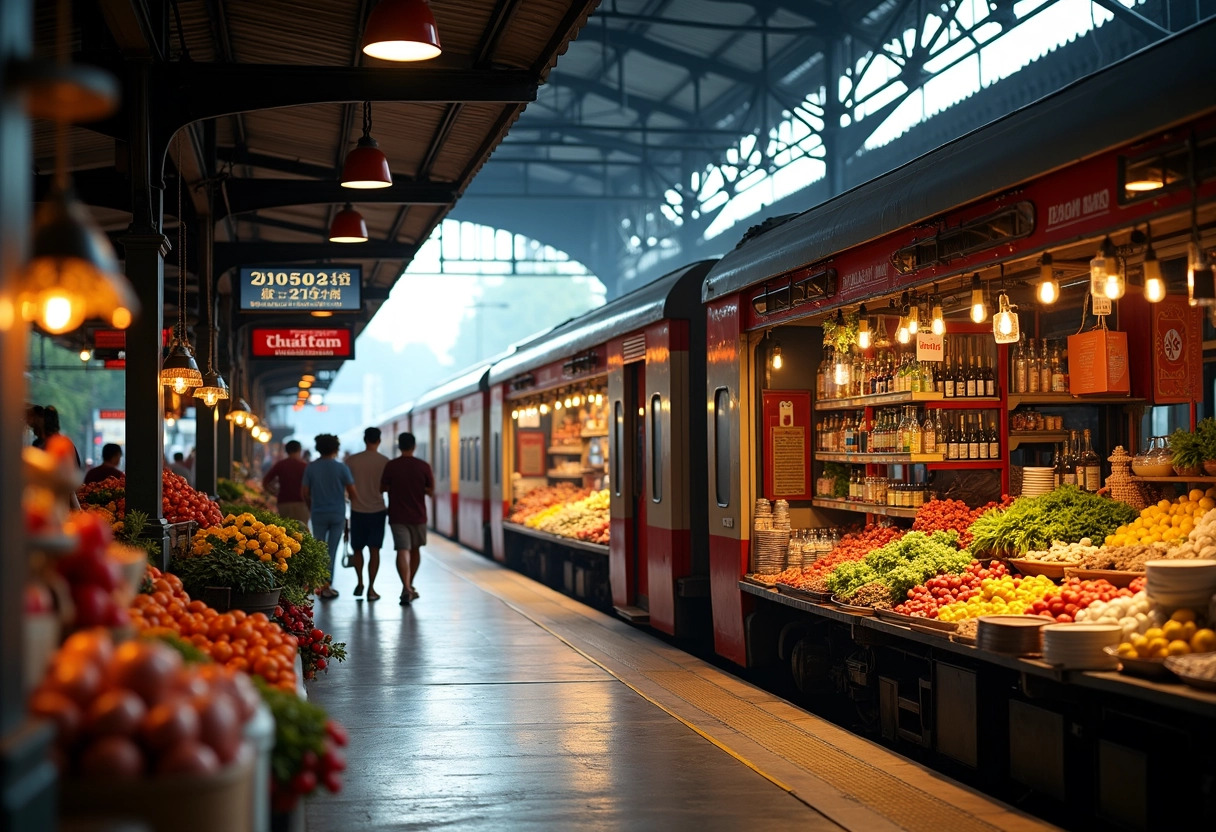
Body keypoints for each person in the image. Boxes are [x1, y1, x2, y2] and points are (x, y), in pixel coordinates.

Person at [380, 432, 433, 606]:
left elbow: (382, 488)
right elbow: (431, 491)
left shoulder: (392, 466)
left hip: (397, 515)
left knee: (402, 550)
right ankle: (409, 585)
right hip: (418, 515)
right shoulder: (423, 466)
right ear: (414, 446)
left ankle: (406, 586)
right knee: (415, 550)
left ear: (399, 446)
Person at [301, 433, 356, 600]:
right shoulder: (341, 468)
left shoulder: (311, 467)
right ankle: (327, 586)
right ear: (335, 448)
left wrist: (312, 507)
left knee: (320, 550)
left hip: (318, 513)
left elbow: (304, 492)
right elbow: (352, 492)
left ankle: (321, 585)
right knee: (331, 550)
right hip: (337, 513)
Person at [346, 427, 389, 601]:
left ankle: (360, 582)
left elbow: (347, 486)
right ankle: (372, 588)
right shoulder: (385, 461)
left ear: (365, 440)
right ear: (379, 441)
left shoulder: (352, 461)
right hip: (377, 510)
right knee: (374, 550)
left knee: (357, 549)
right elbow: (387, 487)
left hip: (357, 510)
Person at [264, 440, 310, 525]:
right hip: (300, 503)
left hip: (283, 502)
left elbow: (265, 482)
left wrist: (274, 493)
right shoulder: (304, 466)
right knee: (302, 532)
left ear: (286, 450)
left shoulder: (280, 464)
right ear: (299, 450)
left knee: (286, 532)